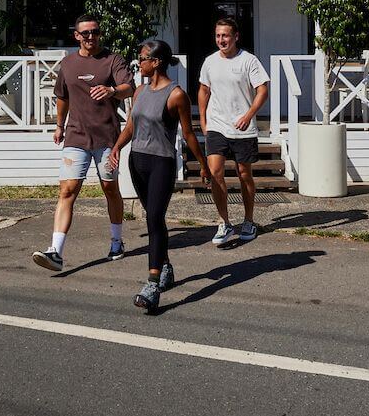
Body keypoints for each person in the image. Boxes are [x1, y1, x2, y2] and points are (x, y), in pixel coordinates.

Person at [108, 39, 209, 312]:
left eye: (143, 58)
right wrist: (116, 147)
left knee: (154, 218)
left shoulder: (176, 95)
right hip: (137, 161)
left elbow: (188, 133)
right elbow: (130, 125)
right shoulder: (139, 91)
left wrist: (203, 165)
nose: (138, 63)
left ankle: (152, 285)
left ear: (157, 62)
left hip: (161, 163)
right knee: (154, 219)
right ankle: (165, 266)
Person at [32, 14, 134, 273]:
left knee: (110, 189)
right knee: (67, 191)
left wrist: (112, 91)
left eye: (95, 32)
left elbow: (129, 87)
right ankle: (55, 251)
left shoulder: (113, 60)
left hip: (106, 138)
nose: (91, 37)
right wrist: (59, 125)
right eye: (85, 33)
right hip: (75, 136)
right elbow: (62, 97)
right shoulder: (68, 64)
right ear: (76, 35)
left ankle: (116, 241)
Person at [198, 17, 269, 247]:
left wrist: (248, 115)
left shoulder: (249, 61)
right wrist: (203, 119)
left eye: (225, 35)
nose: (221, 40)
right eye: (218, 36)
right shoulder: (209, 62)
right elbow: (203, 90)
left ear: (236, 36)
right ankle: (224, 222)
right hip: (217, 125)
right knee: (215, 172)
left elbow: (262, 90)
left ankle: (248, 220)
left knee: (243, 174)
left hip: (243, 128)